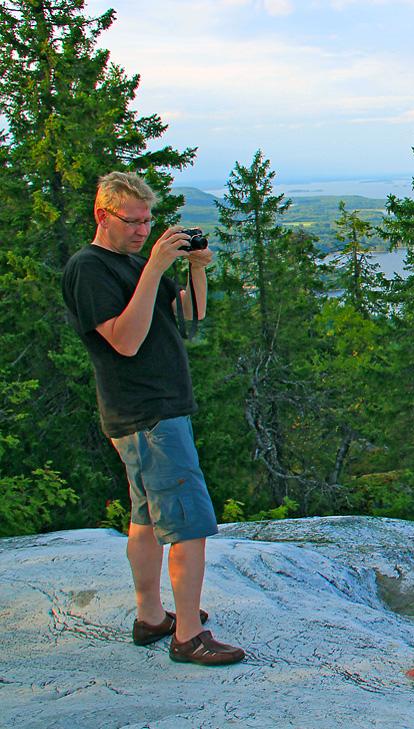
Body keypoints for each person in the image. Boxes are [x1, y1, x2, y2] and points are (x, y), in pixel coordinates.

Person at [62, 171, 244, 666]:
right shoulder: (89, 268)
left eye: (148, 221)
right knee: (188, 525)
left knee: (144, 520)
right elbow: (125, 339)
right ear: (103, 215)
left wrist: (196, 269)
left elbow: (190, 315)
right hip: (149, 415)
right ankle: (188, 636)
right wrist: (153, 269)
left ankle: (151, 617)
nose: (144, 231)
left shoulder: (130, 263)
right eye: (133, 221)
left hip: (149, 414)